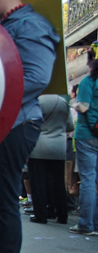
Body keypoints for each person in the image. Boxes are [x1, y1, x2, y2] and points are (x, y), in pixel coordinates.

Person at [0, 0, 60, 253]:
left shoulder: (29, 25)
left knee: (1, 200)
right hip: (2, 123)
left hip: (15, 124)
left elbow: (36, 77)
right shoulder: (8, 24)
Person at [26, 95, 72, 224]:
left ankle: (41, 215)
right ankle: (62, 215)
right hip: (59, 146)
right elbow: (70, 126)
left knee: (38, 183)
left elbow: (29, 122)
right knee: (58, 182)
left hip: (39, 146)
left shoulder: (38, 101)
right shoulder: (63, 102)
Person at [70, 46, 98, 235]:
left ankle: (86, 224)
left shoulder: (89, 82)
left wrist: (73, 103)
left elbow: (84, 107)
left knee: (88, 179)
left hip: (87, 134)